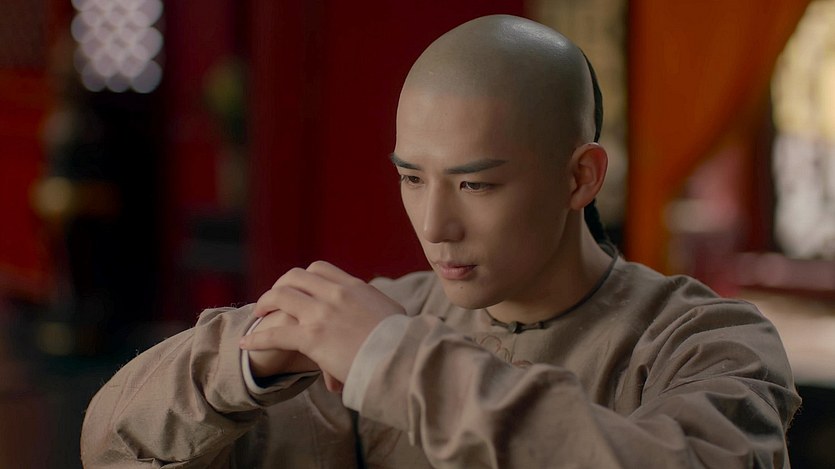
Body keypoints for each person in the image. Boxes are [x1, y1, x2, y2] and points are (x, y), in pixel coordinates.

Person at [80, 15, 800, 468]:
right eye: (411, 178)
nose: (434, 226)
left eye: (476, 184)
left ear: (580, 176)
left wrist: (396, 362)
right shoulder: (379, 320)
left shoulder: (705, 340)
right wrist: (242, 365)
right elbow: (110, 446)